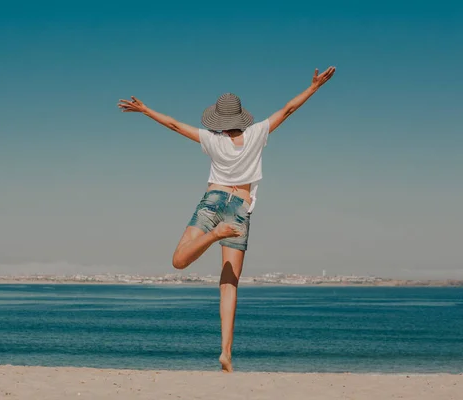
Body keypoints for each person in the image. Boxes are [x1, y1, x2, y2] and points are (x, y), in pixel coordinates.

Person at [118, 66, 336, 372]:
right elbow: (288, 109)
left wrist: (144, 110)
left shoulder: (211, 139)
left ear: (218, 120)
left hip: (214, 201)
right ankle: (226, 352)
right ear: (241, 117)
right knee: (229, 285)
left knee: (179, 261)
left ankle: (212, 235)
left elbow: (173, 125)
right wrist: (314, 87)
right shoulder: (258, 133)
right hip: (240, 209)